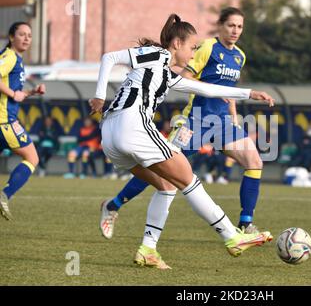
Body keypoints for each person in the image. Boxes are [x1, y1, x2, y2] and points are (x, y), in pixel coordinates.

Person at [90, 14, 275, 268]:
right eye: (191, 47)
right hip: (131, 126)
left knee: (167, 185)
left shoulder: (168, 76)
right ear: (177, 43)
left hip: (110, 137)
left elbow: (207, 89)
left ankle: (148, 249)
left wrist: (249, 93)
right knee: (188, 178)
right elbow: (108, 57)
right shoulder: (157, 54)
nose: (193, 52)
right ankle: (232, 236)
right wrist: (99, 97)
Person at [0, 22, 46, 220]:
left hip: (7, 119)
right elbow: (10, 93)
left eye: (29, 35)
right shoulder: (9, 56)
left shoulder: (16, 59)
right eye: (22, 34)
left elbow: (16, 95)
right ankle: (4, 195)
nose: (27, 38)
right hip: (4, 121)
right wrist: (12, 92)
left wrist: (31, 92)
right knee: (32, 157)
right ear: (12, 37)